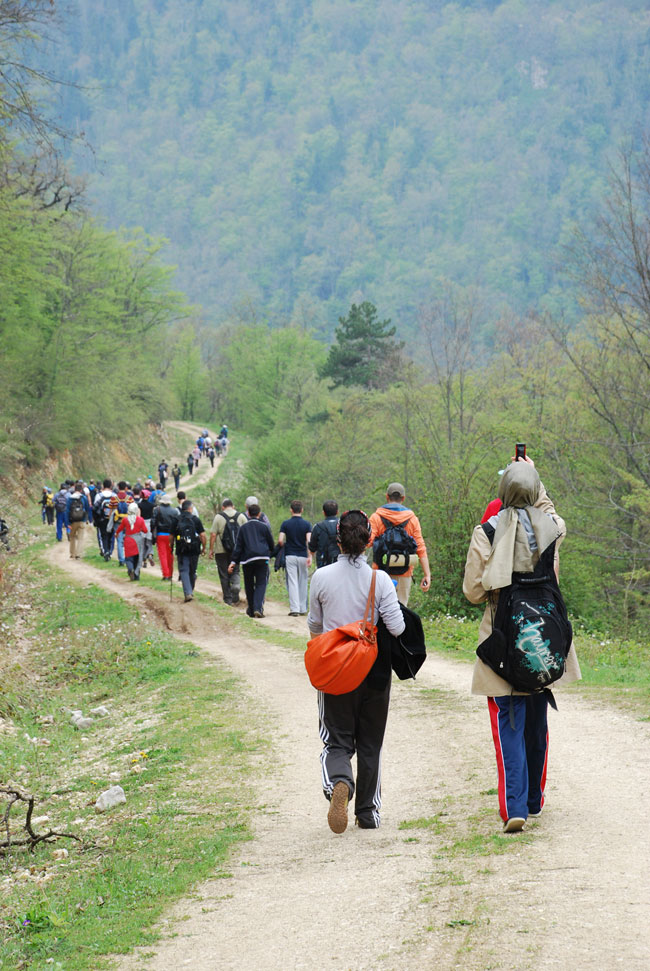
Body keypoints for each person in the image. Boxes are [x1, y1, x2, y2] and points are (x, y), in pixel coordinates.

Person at [462, 456, 581, 833]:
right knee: (537, 721)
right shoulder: (553, 528)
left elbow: (473, 592)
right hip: (543, 639)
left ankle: (515, 807)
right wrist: (535, 478)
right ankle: (534, 800)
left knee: (508, 722)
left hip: (502, 640)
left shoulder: (487, 531)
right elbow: (549, 511)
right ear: (534, 491)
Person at [308, 510, 406, 833]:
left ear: (338, 539)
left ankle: (340, 782)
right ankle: (367, 813)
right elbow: (397, 626)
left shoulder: (321, 577)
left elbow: (315, 627)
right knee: (370, 743)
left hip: (337, 669)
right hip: (374, 671)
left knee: (336, 740)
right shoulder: (379, 580)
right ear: (369, 540)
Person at [369, 482, 431, 606]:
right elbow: (420, 547)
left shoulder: (376, 517)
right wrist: (427, 574)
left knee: (378, 608)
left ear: (387, 496)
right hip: (405, 571)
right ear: (403, 498)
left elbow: (368, 542)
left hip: (380, 571)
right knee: (401, 610)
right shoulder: (412, 519)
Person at [228, 503, 274, 618]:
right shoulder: (264, 527)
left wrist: (233, 562)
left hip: (247, 560)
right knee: (261, 583)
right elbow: (271, 543)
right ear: (259, 514)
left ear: (248, 513)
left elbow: (238, 546)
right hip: (262, 559)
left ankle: (251, 608)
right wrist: (270, 553)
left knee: (249, 584)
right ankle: (258, 608)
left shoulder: (243, 528)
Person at [209, 499, 247, 605]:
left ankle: (228, 599)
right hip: (237, 551)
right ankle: (235, 588)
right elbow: (247, 533)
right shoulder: (241, 516)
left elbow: (213, 534)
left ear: (223, 507)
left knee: (224, 574)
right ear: (233, 506)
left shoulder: (218, 517)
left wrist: (211, 550)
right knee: (235, 571)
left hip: (221, 551)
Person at [278, 500, 312, 615]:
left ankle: (294, 609)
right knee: (303, 580)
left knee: (292, 581)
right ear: (302, 510)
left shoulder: (285, 524)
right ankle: (303, 608)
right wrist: (310, 556)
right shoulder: (307, 524)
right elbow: (309, 541)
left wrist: (283, 546)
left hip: (290, 555)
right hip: (302, 555)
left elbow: (280, 540)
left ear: (291, 510)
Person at [172, 499, 206, 602]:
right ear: (190, 509)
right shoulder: (195, 519)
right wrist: (203, 548)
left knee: (184, 570)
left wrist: (171, 545)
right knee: (192, 571)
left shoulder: (176, 519)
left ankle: (188, 592)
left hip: (181, 549)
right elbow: (203, 535)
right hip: (194, 549)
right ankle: (190, 590)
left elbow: (171, 535)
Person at [115, 503, 148, 580]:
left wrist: (116, 534)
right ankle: (137, 575)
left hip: (128, 540)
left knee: (129, 558)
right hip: (138, 541)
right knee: (137, 558)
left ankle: (130, 569)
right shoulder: (140, 520)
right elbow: (145, 530)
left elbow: (120, 528)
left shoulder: (125, 520)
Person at [151, 494, 179, 580]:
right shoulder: (174, 511)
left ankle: (165, 574)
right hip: (171, 536)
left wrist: (152, 532)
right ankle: (170, 574)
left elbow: (153, 522)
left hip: (160, 535)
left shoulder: (157, 510)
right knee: (170, 555)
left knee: (162, 555)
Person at [308, 501, 340, 569]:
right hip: (341, 562)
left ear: (324, 513)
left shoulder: (318, 527)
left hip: (323, 563)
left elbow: (312, 548)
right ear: (337, 512)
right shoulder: (343, 525)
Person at [64, 481, 91, 559]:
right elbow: (87, 508)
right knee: (80, 538)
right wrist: (86, 519)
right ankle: (78, 554)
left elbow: (67, 511)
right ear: (81, 490)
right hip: (81, 520)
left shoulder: (70, 498)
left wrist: (67, 523)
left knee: (72, 537)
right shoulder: (83, 498)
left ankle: (72, 553)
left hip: (72, 521)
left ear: (74, 489)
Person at [93, 479, 116, 560]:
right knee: (111, 535)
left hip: (101, 519)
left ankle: (105, 550)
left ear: (103, 486)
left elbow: (95, 508)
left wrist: (95, 520)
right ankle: (110, 551)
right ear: (110, 486)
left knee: (103, 536)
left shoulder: (99, 496)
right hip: (112, 519)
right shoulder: (114, 495)